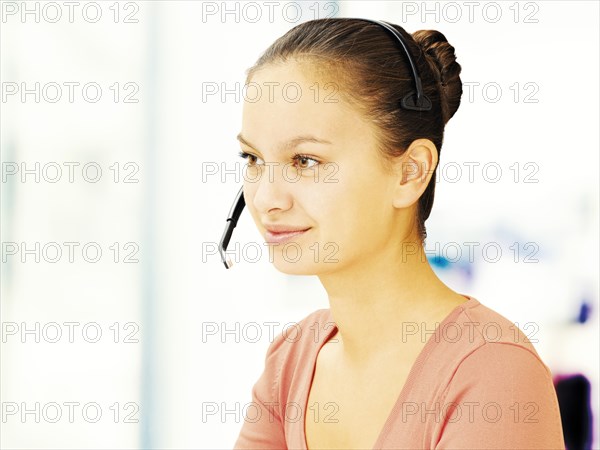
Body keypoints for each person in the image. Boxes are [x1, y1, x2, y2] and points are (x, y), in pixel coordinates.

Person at [232, 17, 565, 450]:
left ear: (410, 172)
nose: (265, 199)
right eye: (253, 158)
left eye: (305, 161)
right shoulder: (293, 357)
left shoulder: (492, 371)